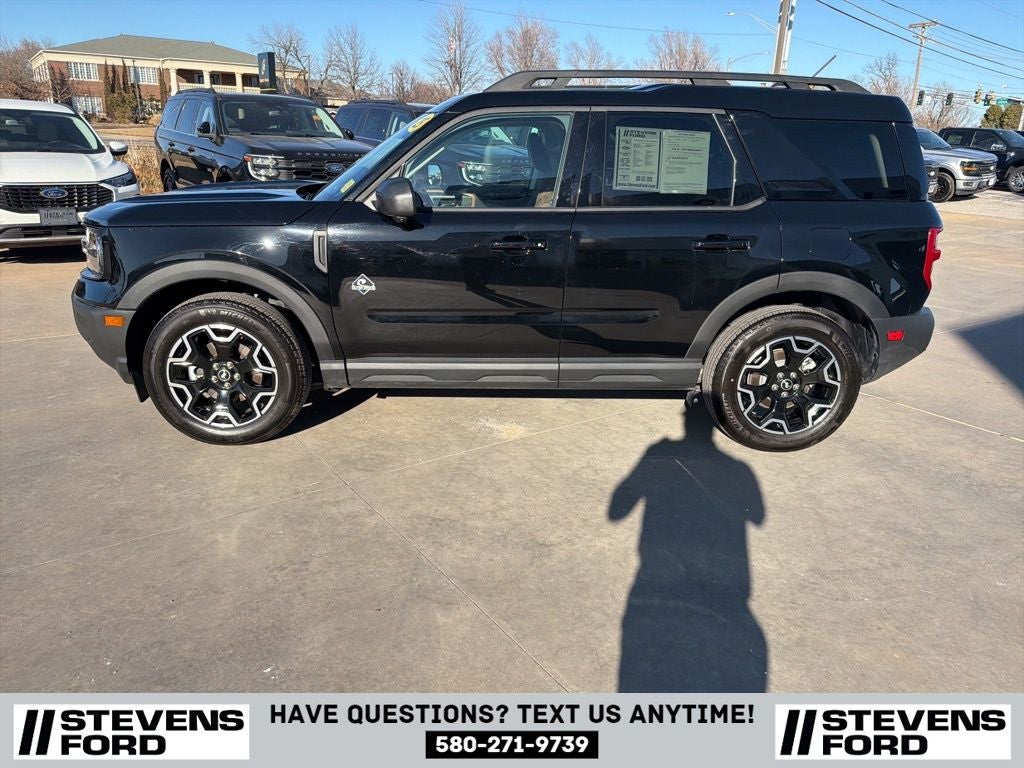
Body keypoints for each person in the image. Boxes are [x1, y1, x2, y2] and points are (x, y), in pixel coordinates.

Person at [608, 404, 767, 692]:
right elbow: (757, 516)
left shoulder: (658, 453)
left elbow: (616, 510)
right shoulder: (739, 470)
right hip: (726, 594)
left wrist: (650, 463)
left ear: (685, 422)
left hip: (654, 582)